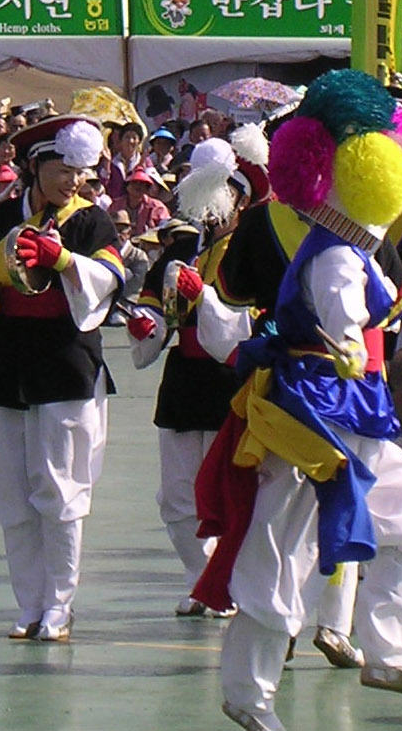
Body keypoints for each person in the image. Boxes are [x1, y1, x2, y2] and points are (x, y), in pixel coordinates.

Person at [193, 71, 402, 731]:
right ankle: (248, 693)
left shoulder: (350, 249)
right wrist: (356, 346)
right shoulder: (337, 256)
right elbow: (343, 330)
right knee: (279, 546)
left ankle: (385, 650)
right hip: (311, 415)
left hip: (347, 409)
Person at [0, 114, 125, 643]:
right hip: (4, 361)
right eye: (62, 168)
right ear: (34, 166)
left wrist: (66, 259)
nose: (72, 181)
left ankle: (59, 607)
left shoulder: (93, 222)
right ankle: (28, 604)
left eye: (80, 171)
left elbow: (110, 279)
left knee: (60, 485)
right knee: (13, 489)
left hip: (65, 363)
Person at [127, 137, 261, 617]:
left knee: (228, 489)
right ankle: (197, 575)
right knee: (176, 494)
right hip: (184, 379)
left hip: (235, 383)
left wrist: (204, 298)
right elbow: (152, 300)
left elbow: (252, 318)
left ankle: (228, 580)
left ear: (240, 198)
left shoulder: (255, 247)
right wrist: (148, 322)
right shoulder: (182, 244)